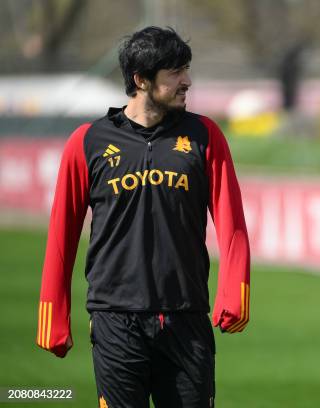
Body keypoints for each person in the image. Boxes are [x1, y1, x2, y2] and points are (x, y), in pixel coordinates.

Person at [36, 26, 250, 408]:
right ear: (141, 80)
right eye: (175, 72)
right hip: (114, 319)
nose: (187, 81)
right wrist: (53, 313)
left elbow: (232, 224)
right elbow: (61, 235)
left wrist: (235, 292)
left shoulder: (205, 135)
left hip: (186, 317)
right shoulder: (87, 142)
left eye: (186, 69)